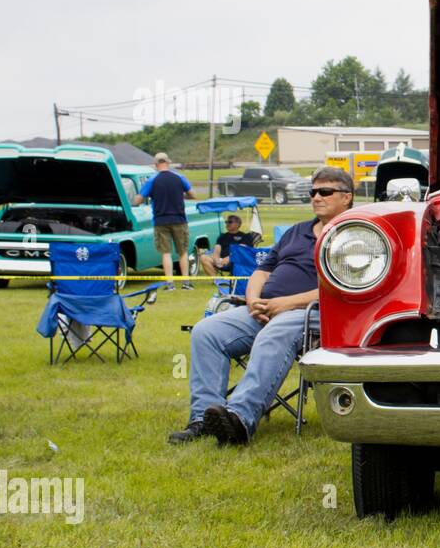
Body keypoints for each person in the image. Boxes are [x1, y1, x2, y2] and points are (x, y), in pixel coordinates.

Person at [168, 166, 355, 446]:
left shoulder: (355, 234)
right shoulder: (295, 232)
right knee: (207, 332)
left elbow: (346, 286)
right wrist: (254, 298)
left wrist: (287, 303)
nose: (316, 197)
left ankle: (240, 420)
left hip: (314, 314)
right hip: (264, 309)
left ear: (347, 197)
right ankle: (202, 420)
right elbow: (262, 270)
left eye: (325, 191)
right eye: (312, 192)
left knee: (277, 330)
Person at [131, 152, 196, 290]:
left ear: (156, 164)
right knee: (182, 252)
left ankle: (170, 284)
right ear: (168, 162)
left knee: (166, 253)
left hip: (160, 221)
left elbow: (138, 200)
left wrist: (131, 200)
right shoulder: (180, 177)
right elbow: (193, 194)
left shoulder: (152, 180)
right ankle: (186, 283)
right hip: (179, 219)